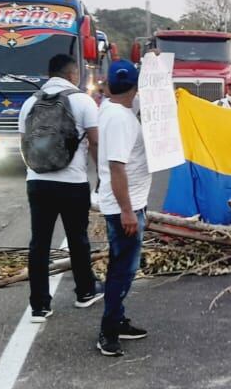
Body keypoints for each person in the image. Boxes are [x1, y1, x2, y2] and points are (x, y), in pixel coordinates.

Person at [18, 54, 103, 323]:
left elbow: (24, 143)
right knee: (77, 239)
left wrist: (35, 172)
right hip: (72, 183)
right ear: (72, 73)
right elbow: (95, 142)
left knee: (39, 243)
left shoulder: (30, 103)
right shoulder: (83, 101)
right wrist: (102, 176)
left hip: (37, 182)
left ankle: (39, 306)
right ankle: (85, 292)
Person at [94, 60, 151, 357]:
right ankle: (108, 330)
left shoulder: (111, 108)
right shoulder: (120, 120)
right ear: (134, 87)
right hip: (123, 207)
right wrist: (127, 211)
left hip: (127, 202)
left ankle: (117, 319)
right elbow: (117, 167)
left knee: (122, 266)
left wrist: (154, 63)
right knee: (122, 271)